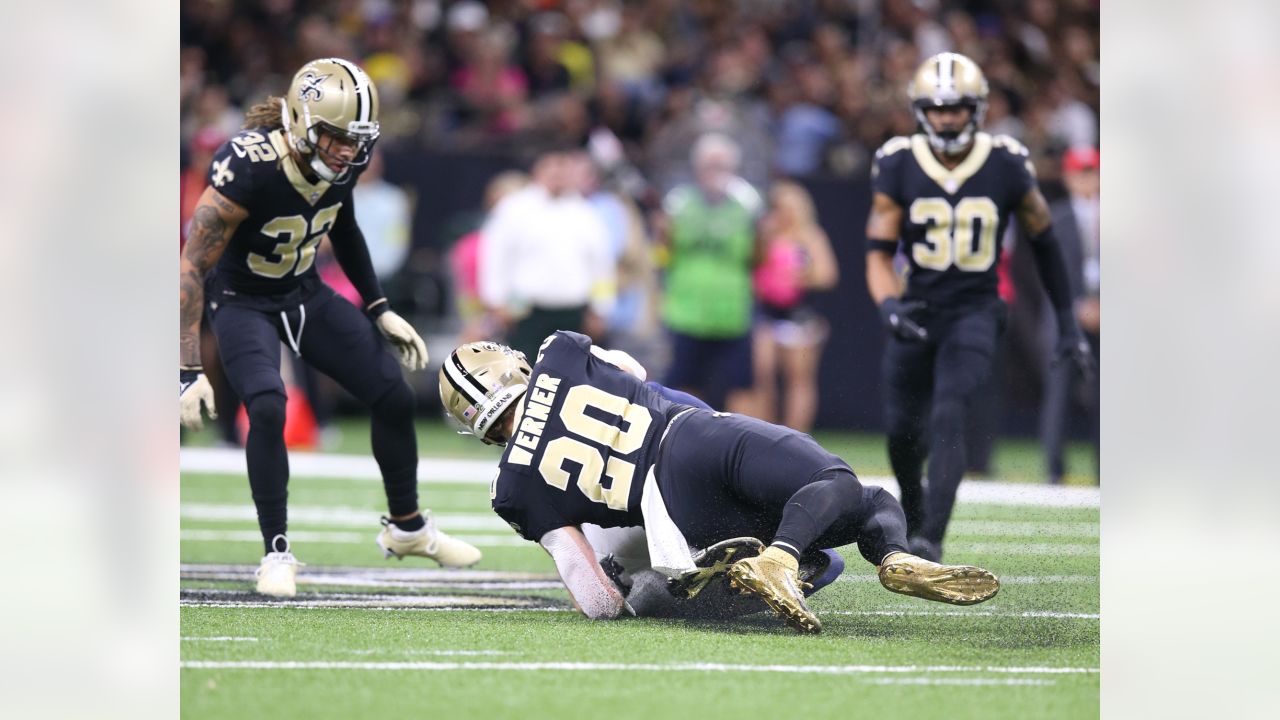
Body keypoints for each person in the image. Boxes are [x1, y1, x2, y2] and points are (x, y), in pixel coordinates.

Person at [438, 331, 1000, 634]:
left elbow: (596, 600)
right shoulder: (560, 352)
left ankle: (714, 575)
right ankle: (819, 554)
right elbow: (633, 374)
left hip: (668, 515)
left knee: (825, 559)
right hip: (688, 440)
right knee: (849, 487)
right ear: (509, 366)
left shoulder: (510, 491)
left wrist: (628, 598)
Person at [178, 58, 481, 598]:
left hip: (304, 291)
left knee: (390, 391)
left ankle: (408, 527)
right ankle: (276, 552)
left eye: (356, 139)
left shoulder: (342, 162)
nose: (347, 150)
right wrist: (186, 368)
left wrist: (378, 305)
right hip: (243, 298)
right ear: (298, 123)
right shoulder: (246, 166)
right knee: (268, 405)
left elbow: (343, 223)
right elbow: (191, 265)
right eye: (335, 136)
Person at [864, 52, 1095, 562]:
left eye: (958, 108)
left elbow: (1047, 243)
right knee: (903, 431)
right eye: (938, 108)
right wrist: (888, 308)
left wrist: (1067, 324)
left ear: (979, 108)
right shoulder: (898, 160)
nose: (947, 118)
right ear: (921, 109)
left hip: (976, 308)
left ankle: (931, 538)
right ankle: (915, 506)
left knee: (951, 409)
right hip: (917, 306)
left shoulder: (1006, 161)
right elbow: (877, 255)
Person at [656, 133, 763, 412]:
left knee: (739, 386)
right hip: (686, 311)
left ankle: (745, 446)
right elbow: (663, 251)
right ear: (697, 168)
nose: (715, 173)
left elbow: (758, 255)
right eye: (709, 165)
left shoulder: (747, 204)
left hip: (731, 312)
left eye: (721, 166)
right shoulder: (679, 202)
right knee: (683, 384)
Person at [478, 148, 615, 362]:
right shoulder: (515, 208)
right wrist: (495, 300)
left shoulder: (585, 213)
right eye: (550, 167)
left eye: (562, 168)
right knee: (526, 372)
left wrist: (601, 308)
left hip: (573, 311)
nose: (556, 175)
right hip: (525, 309)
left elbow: (601, 266)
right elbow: (495, 256)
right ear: (537, 170)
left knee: (570, 377)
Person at [749, 181, 839, 432]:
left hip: (800, 315)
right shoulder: (766, 235)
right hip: (767, 313)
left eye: (789, 208)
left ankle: (796, 435)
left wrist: (798, 275)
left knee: (799, 379)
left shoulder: (810, 236)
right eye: (779, 208)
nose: (784, 214)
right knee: (760, 375)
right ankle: (763, 432)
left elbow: (827, 275)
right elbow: (752, 269)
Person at [1040, 146, 1101, 484]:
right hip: (1066, 319)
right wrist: (1076, 305)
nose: (1087, 179)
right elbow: (1049, 270)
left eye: (1092, 171)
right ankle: (1054, 470)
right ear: (1068, 176)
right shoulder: (1057, 217)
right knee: (1058, 396)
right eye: (1081, 172)